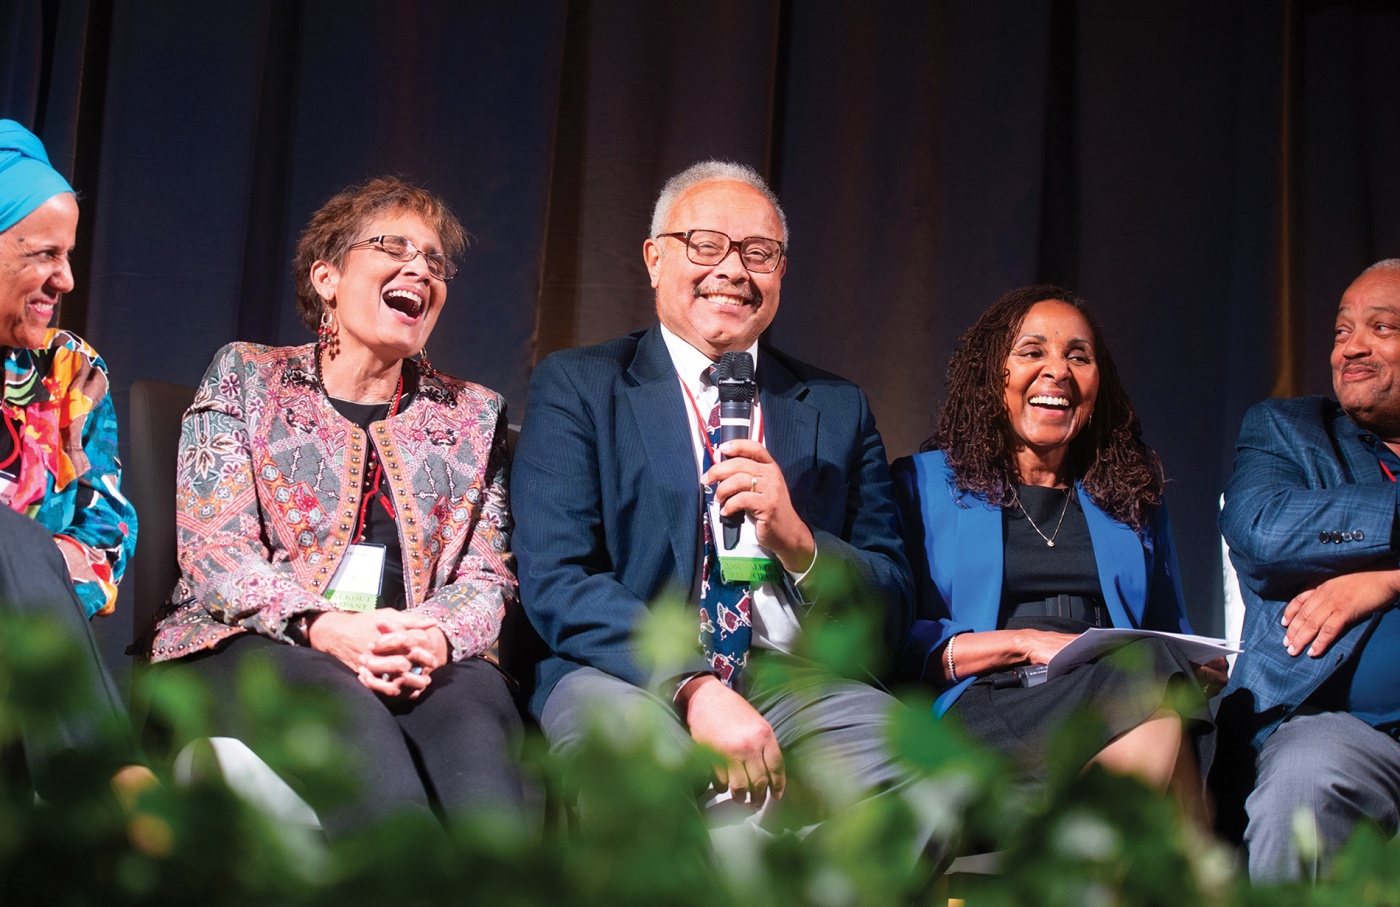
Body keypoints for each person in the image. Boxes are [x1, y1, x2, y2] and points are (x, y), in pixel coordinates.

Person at [512, 160, 916, 830]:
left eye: (759, 252)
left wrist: (800, 543)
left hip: (799, 682)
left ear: (781, 271)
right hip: (626, 676)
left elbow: (893, 597)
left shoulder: (837, 407)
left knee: (917, 776)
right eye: (706, 245)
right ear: (653, 258)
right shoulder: (582, 386)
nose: (732, 269)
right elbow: (558, 578)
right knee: (627, 783)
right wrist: (693, 683)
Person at [146, 176, 522, 836]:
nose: (419, 268)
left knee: (479, 752)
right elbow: (215, 550)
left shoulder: (474, 413)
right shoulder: (246, 375)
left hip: (415, 655)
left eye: (434, 260)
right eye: (393, 246)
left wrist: (428, 635)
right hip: (257, 647)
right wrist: (326, 626)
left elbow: (488, 577)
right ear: (327, 276)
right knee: (364, 754)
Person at [890, 285, 1224, 823]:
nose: (1058, 371)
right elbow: (893, 641)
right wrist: (1023, 642)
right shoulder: (920, 484)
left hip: (1117, 694)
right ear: (991, 376)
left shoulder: (1131, 500)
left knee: (1180, 696)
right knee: (1156, 693)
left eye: (1078, 356)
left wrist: (1200, 667)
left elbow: (1169, 630)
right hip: (987, 701)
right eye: (1032, 352)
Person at [1215, 259, 1400, 880]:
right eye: (1343, 330)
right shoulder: (1290, 432)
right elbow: (1266, 533)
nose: (1352, 347)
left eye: (1382, 327)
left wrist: (1384, 582)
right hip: (1344, 731)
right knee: (1305, 777)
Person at [0, 120, 138, 789]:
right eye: (45, 254)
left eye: (70, 255)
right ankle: (108, 790)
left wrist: (28, 576)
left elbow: (106, 538)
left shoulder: (67, 370)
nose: (66, 279)